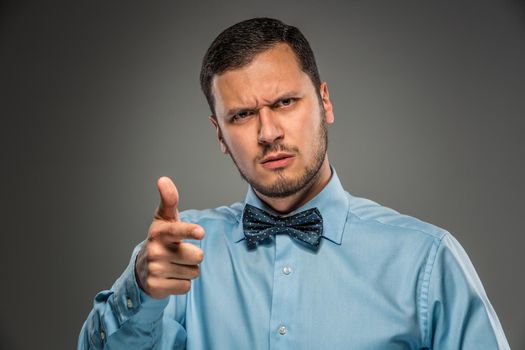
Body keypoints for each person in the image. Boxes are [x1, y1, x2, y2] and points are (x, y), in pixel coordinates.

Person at [78, 17, 510, 349]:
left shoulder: (426, 260)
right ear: (219, 135)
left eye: (285, 102)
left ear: (325, 102)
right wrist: (139, 289)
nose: (268, 133)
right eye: (242, 115)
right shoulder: (177, 255)